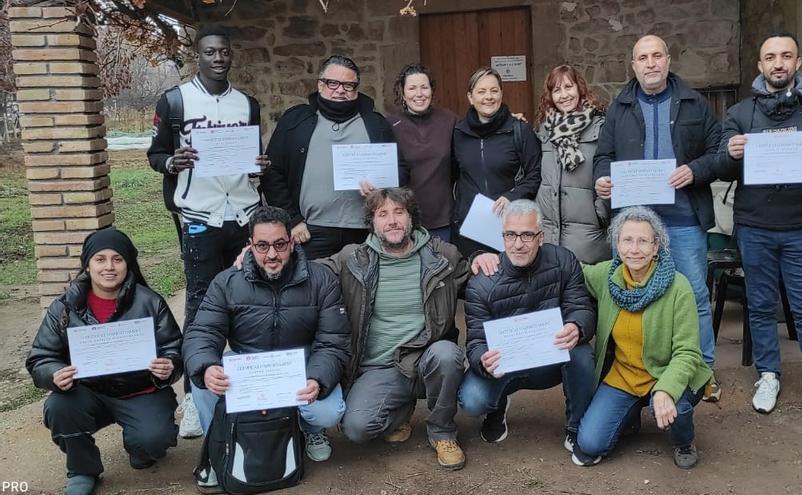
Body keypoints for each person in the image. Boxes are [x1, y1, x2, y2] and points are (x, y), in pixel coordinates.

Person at [714, 32, 802, 423]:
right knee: (760, 305)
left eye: (786, 56)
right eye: (770, 57)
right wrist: (730, 151)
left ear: (797, 63)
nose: (778, 63)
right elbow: (722, 165)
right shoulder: (741, 113)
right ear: (759, 66)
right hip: (755, 226)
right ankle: (768, 376)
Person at [146, 24, 269, 438]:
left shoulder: (247, 104)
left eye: (225, 52)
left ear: (232, 56)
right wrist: (171, 162)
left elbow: (253, 156)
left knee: (252, 298)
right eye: (211, 52)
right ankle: (195, 396)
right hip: (199, 216)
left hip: (243, 214)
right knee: (200, 305)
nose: (219, 58)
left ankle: (255, 384)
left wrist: (259, 167)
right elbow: (155, 153)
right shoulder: (176, 100)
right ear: (197, 55)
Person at [183, 206, 349, 491]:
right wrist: (207, 366)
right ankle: (220, 443)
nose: (272, 254)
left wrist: (317, 379)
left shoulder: (321, 280)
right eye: (262, 246)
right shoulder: (227, 282)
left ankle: (310, 431)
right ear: (250, 245)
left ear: (292, 242)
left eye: (280, 244)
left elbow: (333, 340)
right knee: (203, 384)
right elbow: (203, 331)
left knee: (328, 411)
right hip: (247, 362)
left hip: (301, 363)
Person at [593, 34, 721, 400]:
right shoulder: (619, 106)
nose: (650, 63)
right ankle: (632, 369)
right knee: (629, 295)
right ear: (633, 66)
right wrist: (601, 178)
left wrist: (695, 170)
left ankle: (703, 372)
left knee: (695, 294)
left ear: (668, 60)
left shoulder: (694, 103)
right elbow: (604, 155)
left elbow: (719, 151)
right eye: (642, 58)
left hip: (683, 218)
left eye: (656, 56)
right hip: (634, 223)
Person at [318, 187, 476, 470]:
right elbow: (309, 274)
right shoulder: (353, 260)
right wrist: (258, 256)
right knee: (356, 428)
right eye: (383, 214)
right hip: (380, 367)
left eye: (399, 212)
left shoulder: (444, 256)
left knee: (447, 354)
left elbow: (479, 284)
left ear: (411, 218)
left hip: (428, 357)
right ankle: (400, 412)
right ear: (372, 222)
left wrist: (482, 259)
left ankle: (441, 431)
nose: (392, 220)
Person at [26, 228, 183, 495]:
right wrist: (53, 374)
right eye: (100, 259)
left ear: (128, 264)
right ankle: (83, 469)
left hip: (139, 391)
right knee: (59, 408)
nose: (109, 267)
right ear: (87, 264)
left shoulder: (150, 302)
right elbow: (41, 356)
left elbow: (174, 348)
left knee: (153, 438)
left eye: (117, 259)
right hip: (88, 391)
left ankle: (139, 445)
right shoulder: (64, 308)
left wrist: (168, 365)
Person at [574, 206, 712, 469]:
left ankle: (684, 441)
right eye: (627, 240)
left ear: (656, 246)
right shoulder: (607, 276)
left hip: (666, 373)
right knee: (590, 444)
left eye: (642, 241)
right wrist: (529, 249)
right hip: (624, 376)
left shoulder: (678, 286)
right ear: (617, 243)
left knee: (679, 406)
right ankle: (632, 412)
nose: (634, 249)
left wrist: (665, 389)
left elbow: (688, 352)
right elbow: (570, 269)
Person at [458, 199, 596, 453]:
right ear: (502, 236)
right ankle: (496, 407)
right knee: (471, 399)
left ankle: (576, 427)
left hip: (550, 359)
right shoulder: (481, 283)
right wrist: (482, 362)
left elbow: (581, 307)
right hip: (506, 366)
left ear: (541, 237)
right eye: (510, 235)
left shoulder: (564, 261)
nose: (518, 244)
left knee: (581, 353)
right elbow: (476, 340)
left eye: (527, 235)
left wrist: (577, 326)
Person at [263, 55, 407, 260]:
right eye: (333, 83)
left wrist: (382, 186)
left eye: (348, 85)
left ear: (356, 89)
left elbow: (400, 169)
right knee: (313, 290)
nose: (340, 90)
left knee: (362, 291)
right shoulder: (295, 121)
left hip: (365, 230)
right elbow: (272, 172)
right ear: (320, 85)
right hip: (310, 231)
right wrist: (292, 220)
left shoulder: (375, 123)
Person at [452, 67, 542, 257]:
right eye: (481, 91)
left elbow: (535, 174)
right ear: (470, 97)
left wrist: (513, 195)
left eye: (494, 90)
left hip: (510, 228)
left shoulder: (519, 131)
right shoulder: (458, 133)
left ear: (501, 93)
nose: (488, 97)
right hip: (469, 229)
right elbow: (452, 175)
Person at [535, 64, 610, 264]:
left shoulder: (600, 128)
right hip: (550, 237)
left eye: (569, 87)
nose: (564, 95)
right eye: (557, 90)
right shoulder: (544, 131)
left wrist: (601, 212)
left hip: (588, 239)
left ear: (579, 88)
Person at [386, 64, 458, 241]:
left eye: (424, 87)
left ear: (432, 91)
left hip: (442, 219)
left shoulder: (450, 121)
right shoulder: (389, 125)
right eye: (412, 88)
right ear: (402, 93)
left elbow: (477, 134)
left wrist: (508, 120)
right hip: (403, 220)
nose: (419, 94)